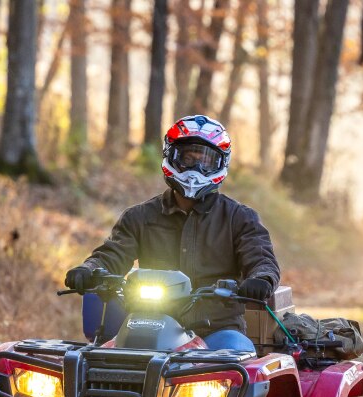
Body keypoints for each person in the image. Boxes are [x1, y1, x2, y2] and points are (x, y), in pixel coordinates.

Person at [64, 115, 280, 352]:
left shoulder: (239, 218)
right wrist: (88, 269)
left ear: (220, 164)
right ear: (171, 156)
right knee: (99, 362)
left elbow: (261, 259)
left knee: (239, 358)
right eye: (188, 158)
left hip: (216, 331)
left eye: (205, 161)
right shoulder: (140, 216)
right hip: (148, 326)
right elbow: (111, 254)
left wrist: (260, 279)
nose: (195, 168)